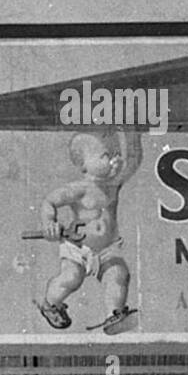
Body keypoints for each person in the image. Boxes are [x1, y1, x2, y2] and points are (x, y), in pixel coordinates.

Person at [37, 129, 141, 330]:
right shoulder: (79, 189)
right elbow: (49, 201)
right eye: (105, 155)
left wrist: (133, 135)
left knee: (118, 274)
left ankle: (114, 314)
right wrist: (49, 222)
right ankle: (51, 304)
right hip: (78, 249)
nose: (113, 159)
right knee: (71, 278)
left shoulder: (113, 185)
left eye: (114, 154)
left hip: (107, 249)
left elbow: (134, 161)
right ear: (83, 165)